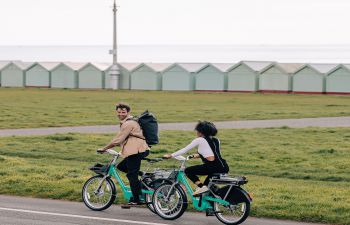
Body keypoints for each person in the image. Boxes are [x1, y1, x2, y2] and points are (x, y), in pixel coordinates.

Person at [98, 102, 150, 206]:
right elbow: (121, 138)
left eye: (123, 112)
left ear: (128, 112)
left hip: (136, 151)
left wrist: (104, 148)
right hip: (136, 150)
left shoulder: (128, 123)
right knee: (121, 166)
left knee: (132, 175)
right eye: (119, 112)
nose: (120, 114)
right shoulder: (128, 122)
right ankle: (144, 176)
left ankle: (137, 199)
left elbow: (118, 140)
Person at [163, 121, 229, 196]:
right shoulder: (216, 140)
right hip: (224, 167)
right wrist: (197, 155)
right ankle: (205, 191)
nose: (196, 132)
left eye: (198, 130)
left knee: (188, 171)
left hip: (213, 167)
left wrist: (171, 155)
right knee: (207, 190)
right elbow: (212, 153)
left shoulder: (200, 140)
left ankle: (201, 187)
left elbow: (185, 149)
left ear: (201, 132)